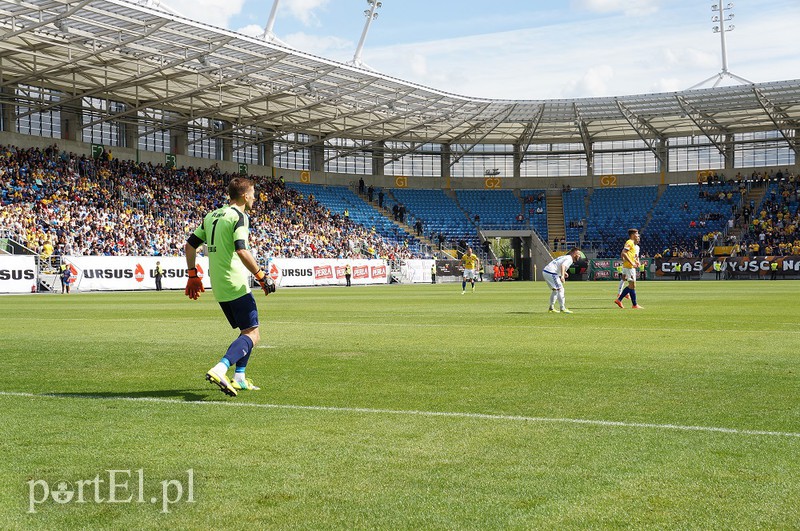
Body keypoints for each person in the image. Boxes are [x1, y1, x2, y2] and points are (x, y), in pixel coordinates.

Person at [185, 177, 276, 397]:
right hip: (235, 282)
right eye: (253, 194)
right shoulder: (239, 216)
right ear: (245, 196)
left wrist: (192, 275)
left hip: (218, 284)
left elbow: (190, 245)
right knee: (253, 334)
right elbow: (242, 250)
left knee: (247, 330)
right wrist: (262, 276)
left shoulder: (212, 215)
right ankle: (221, 368)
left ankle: (239, 378)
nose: (255, 198)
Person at [543, 247, 581, 313]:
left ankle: (551, 308)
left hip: (547, 271)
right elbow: (563, 266)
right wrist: (562, 276)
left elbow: (559, 264)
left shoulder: (567, 257)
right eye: (578, 254)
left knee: (555, 290)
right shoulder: (570, 259)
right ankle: (562, 308)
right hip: (551, 272)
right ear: (574, 253)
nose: (579, 256)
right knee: (560, 289)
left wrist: (564, 273)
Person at [614, 229, 644, 309]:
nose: (638, 236)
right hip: (629, 267)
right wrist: (632, 263)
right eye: (637, 234)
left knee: (631, 285)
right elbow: (623, 253)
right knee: (632, 285)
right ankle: (633, 304)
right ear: (633, 235)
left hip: (629, 266)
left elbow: (634, 256)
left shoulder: (634, 245)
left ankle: (620, 300)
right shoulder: (629, 242)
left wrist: (637, 262)